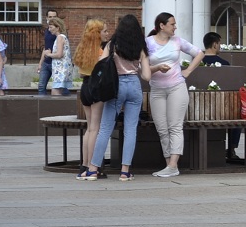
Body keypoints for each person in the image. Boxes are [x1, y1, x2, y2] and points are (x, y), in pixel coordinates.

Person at [80, 15, 153, 181]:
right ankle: (125, 171)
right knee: (130, 130)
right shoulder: (140, 47)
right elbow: (147, 76)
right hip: (134, 86)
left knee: (105, 128)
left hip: (116, 86)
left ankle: (92, 169)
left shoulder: (112, 44)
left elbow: (101, 63)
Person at [145, 12, 204, 178]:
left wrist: (187, 71)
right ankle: (169, 165)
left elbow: (199, 53)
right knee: (162, 128)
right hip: (156, 89)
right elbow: (140, 67)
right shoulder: (148, 42)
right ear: (162, 26)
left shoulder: (177, 41)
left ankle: (173, 165)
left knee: (175, 126)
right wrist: (157, 68)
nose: (175, 27)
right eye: (172, 24)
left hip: (176, 87)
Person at [73, 18, 111, 178]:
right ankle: (92, 167)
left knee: (89, 128)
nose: (107, 34)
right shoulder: (101, 52)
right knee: (95, 128)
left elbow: (81, 72)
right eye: (105, 31)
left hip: (85, 87)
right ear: (97, 34)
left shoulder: (82, 50)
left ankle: (84, 166)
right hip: (96, 88)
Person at [200, 31, 243, 159]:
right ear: (214, 45)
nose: (220, 46)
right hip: (221, 107)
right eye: (219, 44)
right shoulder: (224, 64)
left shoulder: (196, 63)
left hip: (200, 107)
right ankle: (231, 149)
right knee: (236, 118)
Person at [41, 17, 74, 96]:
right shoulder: (63, 37)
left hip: (60, 69)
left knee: (55, 92)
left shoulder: (59, 37)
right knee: (60, 91)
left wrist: (48, 54)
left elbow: (59, 54)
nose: (49, 29)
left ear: (57, 27)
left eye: (51, 27)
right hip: (63, 69)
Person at [37, 10, 60, 95]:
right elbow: (45, 48)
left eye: (54, 17)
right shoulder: (47, 31)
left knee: (60, 87)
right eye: (50, 17)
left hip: (56, 63)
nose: (52, 19)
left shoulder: (59, 33)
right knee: (41, 86)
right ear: (46, 18)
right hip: (46, 62)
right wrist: (40, 63)